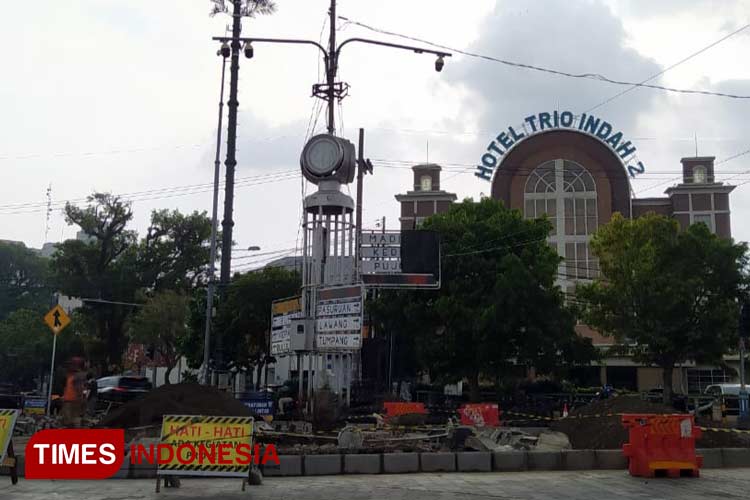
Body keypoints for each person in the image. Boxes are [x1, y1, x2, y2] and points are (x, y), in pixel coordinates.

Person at [61, 357, 86, 427]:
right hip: (69, 400)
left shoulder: (78, 376)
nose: (69, 366)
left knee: (72, 421)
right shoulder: (70, 375)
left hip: (73, 401)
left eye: (71, 364)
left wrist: (81, 399)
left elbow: (79, 388)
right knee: (67, 421)